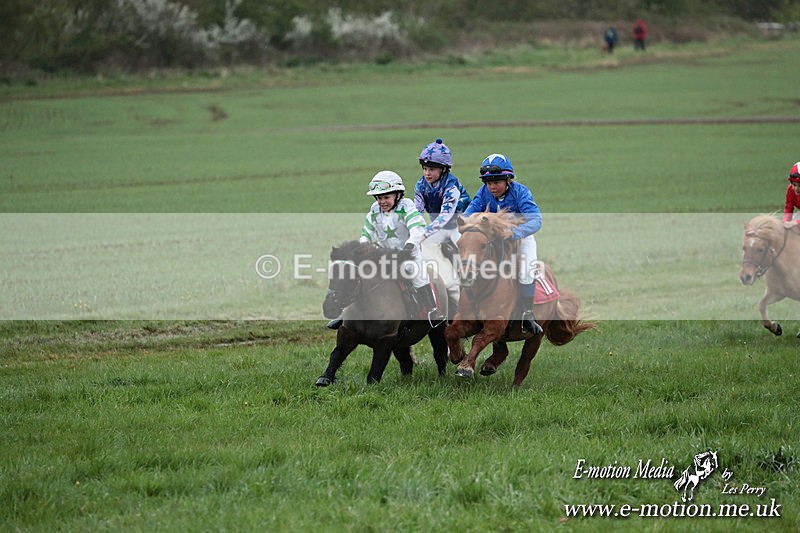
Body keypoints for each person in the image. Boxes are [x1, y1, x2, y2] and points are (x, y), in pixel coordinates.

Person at [326, 170, 446, 329]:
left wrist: (409, 246)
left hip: (408, 255)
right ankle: (344, 314)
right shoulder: (374, 210)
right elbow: (366, 232)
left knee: (415, 273)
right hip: (382, 256)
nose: (382, 202)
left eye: (386, 197)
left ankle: (432, 311)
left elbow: (417, 228)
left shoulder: (407, 206)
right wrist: (361, 248)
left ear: (398, 195)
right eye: (379, 198)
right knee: (358, 277)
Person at [463, 153, 543, 335]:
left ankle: (528, 315)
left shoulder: (521, 192)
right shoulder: (483, 193)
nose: (492, 187)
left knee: (526, 270)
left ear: (508, 179)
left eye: (496, 182)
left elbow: (537, 221)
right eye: (488, 182)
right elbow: (468, 214)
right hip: (494, 241)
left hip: (521, 239)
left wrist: (514, 232)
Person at [414, 138, 471, 248]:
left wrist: (425, 233)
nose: (427, 173)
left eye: (432, 169)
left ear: (444, 169)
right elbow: (417, 212)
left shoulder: (451, 186)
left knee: (464, 249)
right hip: (439, 229)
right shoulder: (420, 185)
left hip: (459, 227)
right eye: (425, 169)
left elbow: (445, 215)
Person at [782, 161, 800, 229]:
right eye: (794, 184)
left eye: (799, 185)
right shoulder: (790, 189)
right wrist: (785, 221)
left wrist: (795, 223)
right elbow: (789, 207)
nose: (796, 188)